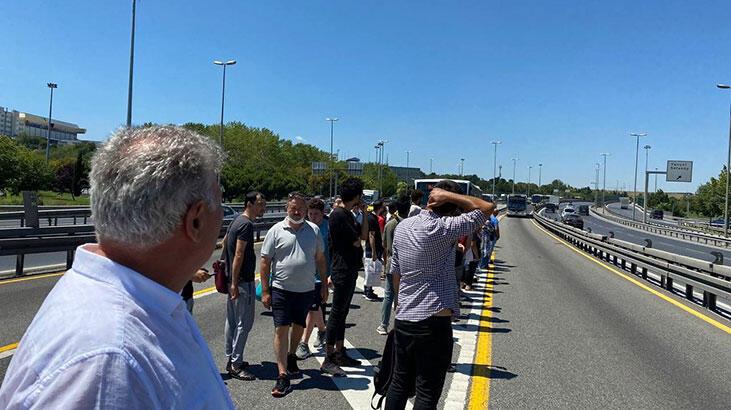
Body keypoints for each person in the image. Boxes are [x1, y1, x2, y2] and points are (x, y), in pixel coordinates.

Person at [0, 126, 234, 409]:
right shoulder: (110, 365)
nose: (223, 215)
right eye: (220, 200)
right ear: (195, 221)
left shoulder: (142, 299)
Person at [386, 181, 494, 410]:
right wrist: (448, 195)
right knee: (427, 389)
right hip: (434, 321)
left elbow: (395, 272)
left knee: (399, 382)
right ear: (453, 207)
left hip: (405, 317)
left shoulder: (403, 227)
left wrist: (399, 304)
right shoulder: (445, 228)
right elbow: (487, 208)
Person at [259, 192, 328, 398]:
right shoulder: (276, 230)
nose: (296, 211)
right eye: (293, 208)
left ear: (305, 210)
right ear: (286, 209)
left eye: (300, 208)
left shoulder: (314, 230)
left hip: (306, 289)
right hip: (281, 289)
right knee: (281, 328)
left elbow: (320, 259)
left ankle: (291, 356)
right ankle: (282, 375)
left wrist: (324, 285)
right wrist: (265, 290)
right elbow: (265, 262)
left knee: (299, 325)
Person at [321, 177, 369, 377]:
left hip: (349, 268)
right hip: (342, 268)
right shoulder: (340, 215)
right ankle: (329, 357)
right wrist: (357, 239)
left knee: (342, 312)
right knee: (337, 313)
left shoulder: (347, 213)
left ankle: (340, 351)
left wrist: (365, 215)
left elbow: (363, 237)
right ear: (357, 195)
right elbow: (358, 241)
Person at [223, 191, 266, 381]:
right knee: (244, 323)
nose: (263, 207)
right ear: (249, 204)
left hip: (234, 280)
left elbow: (225, 243)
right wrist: (234, 283)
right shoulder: (246, 225)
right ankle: (236, 363)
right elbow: (239, 254)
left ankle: (231, 357)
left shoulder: (236, 220)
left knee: (232, 321)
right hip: (241, 282)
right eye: (260, 204)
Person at [295, 198, 330, 360]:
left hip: (322, 274)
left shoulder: (329, 227)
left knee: (312, 307)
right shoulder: (303, 226)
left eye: (316, 214)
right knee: (314, 307)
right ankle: (322, 329)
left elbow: (335, 251)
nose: (313, 217)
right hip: (307, 273)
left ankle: (303, 342)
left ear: (323, 213)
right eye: (310, 214)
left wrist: (331, 275)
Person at [377, 195, 410, 335]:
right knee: (403, 295)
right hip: (407, 263)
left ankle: (383, 324)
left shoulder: (390, 223)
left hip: (391, 262)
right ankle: (400, 323)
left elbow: (384, 244)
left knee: (389, 294)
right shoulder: (409, 224)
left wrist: (385, 266)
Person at [363, 200, 385, 301]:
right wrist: (374, 252)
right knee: (370, 270)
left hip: (373, 248)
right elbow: (371, 235)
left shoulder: (372, 217)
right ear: (380, 207)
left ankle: (368, 290)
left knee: (371, 270)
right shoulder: (372, 218)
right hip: (371, 248)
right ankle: (368, 292)